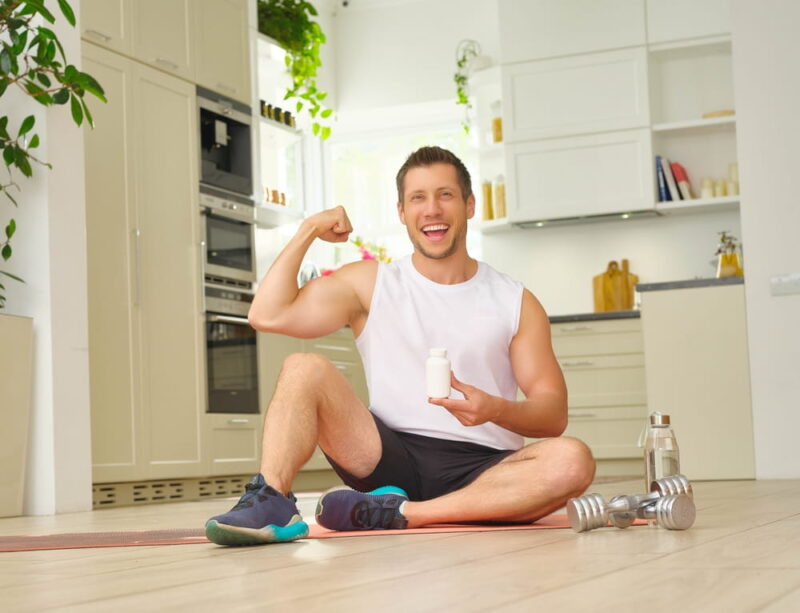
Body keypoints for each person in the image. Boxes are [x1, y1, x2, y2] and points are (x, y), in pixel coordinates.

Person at [205, 146, 595, 546]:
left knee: (572, 459)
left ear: (469, 205)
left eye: (445, 195)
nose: (432, 210)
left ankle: (404, 514)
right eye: (418, 198)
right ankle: (272, 499)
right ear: (401, 212)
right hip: (385, 459)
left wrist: (494, 409)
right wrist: (308, 231)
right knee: (303, 368)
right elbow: (267, 315)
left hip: (485, 468)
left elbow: (553, 414)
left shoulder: (515, 301)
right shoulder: (371, 283)